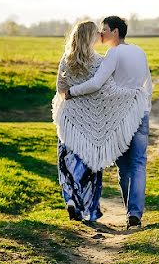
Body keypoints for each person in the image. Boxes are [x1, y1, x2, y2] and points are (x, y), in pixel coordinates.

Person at [52, 21, 148, 224]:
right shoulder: (99, 61)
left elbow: (61, 88)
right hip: (89, 126)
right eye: (97, 32)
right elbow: (105, 89)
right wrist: (133, 94)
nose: (100, 34)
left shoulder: (65, 60)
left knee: (67, 163)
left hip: (70, 122)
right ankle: (89, 210)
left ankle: (70, 200)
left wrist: (69, 95)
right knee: (90, 166)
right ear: (90, 38)